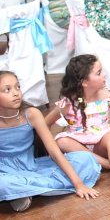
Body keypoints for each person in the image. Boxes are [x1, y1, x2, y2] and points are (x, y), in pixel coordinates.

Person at [0, 71, 100, 212]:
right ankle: (20, 192)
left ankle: (22, 192)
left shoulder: (32, 114)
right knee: (3, 183)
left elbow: (54, 151)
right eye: (7, 90)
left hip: (33, 166)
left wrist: (79, 185)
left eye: (18, 87)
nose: (16, 93)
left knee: (86, 159)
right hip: (5, 172)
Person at [44, 55, 110, 191]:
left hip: (100, 145)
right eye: (99, 73)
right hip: (78, 147)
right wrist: (45, 147)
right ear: (84, 82)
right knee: (62, 141)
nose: (104, 75)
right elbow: (45, 124)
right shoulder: (69, 103)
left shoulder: (107, 95)